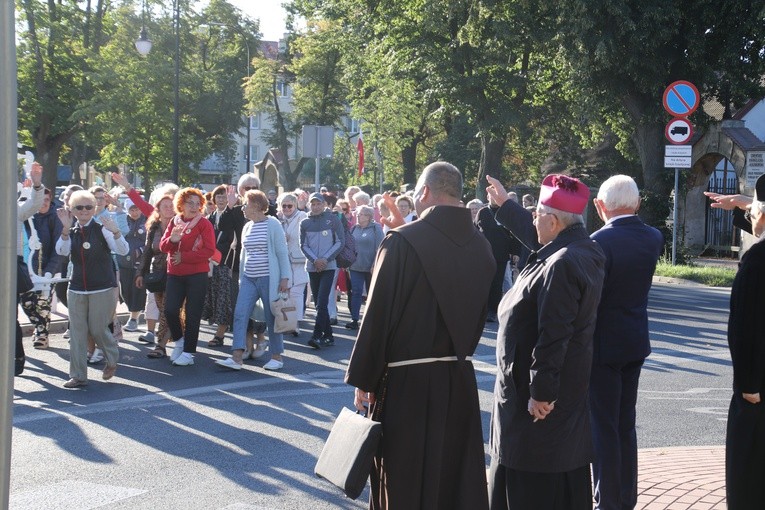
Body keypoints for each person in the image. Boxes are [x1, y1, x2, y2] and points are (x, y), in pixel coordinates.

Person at [346, 161, 495, 509]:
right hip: (458, 379)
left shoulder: (400, 242)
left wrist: (364, 378)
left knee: (404, 480)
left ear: (425, 192)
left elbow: (378, 315)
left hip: (405, 383)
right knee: (453, 478)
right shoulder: (482, 246)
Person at [485, 173, 605, 510]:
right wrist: (506, 206)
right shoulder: (577, 248)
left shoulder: (563, 263)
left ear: (552, 221)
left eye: (537, 214)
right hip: (548, 404)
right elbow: (538, 240)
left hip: (536, 407)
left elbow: (554, 334)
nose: (533, 219)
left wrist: (542, 392)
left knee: (534, 488)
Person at [588, 175, 663, 510]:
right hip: (635, 340)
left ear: (601, 206)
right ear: (637, 204)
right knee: (624, 425)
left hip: (603, 345)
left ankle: (607, 499)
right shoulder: (653, 237)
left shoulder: (598, 242)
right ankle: (625, 497)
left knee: (602, 425)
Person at [56, 190, 129, 388]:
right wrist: (64, 229)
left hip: (102, 288)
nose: (84, 211)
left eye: (88, 206)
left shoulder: (102, 228)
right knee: (77, 333)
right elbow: (61, 251)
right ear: (72, 210)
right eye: (79, 207)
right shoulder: (70, 231)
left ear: (94, 208)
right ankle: (78, 376)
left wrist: (116, 231)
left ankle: (112, 358)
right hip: (77, 288)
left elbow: (123, 250)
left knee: (97, 328)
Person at [724, 173, 765, 509]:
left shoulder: (757, 263)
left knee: (749, 476)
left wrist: (748, 384)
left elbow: (744, 328)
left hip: (758, 392)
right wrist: (742, 206)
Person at [216, 190, 290, 371]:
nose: (243, 208)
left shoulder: (273, 224)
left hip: (268, 278)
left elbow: (281, 252)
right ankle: (237, 357)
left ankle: (276, 356)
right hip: (249, 278)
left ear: (257, 206)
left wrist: (285, 278)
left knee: (272, 316)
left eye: (246, 204)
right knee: (240, 314)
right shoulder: (247, 226)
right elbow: (243, 255)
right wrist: (242, 278)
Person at [159, 187, 216, 366]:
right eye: (189, 203)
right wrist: (172, 241)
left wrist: (184, 257)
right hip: (175, 274)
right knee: (170, 310)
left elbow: (209, 250)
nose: (193, 206)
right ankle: (179, 342)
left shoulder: (204, 224)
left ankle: (189, 353)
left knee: (193, 314)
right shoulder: (175, 222)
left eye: (197, 203)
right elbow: (162, 247)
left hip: (197, 275)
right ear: (181, 204)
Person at [20, 187, 64, 350]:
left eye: (46, 200)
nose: (43, 203)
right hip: (27, 269)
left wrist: (49, 271)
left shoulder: (55, 217)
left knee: (42, 302)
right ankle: (39, 327)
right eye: (40, 200)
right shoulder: (27, 217)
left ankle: (42, 334)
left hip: (47, 269)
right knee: (26, 302)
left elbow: (58, 248)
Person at [300, 192, 343, 349]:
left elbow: (340, 242)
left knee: (322, 302)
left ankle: (317, 335)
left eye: (318, 203)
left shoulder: (332, 220)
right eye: (313, 204)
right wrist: (315, 260)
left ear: (324, 204)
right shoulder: (304, 222)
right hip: (312, 267)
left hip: (329, 266)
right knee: (319, 303)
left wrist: (325, 259)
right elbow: (303, 245)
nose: (316, 206)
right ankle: (329, 336)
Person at [136, 195, 176, 358]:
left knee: (167, 309)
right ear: (158, 209)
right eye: (164, 205)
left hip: (176, 273)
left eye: (171, 205)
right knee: (162, 308)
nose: (168, 208)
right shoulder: (154, 227)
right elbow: (147, 251)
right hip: (157, 273)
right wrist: (140, 273)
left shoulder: (181, 224)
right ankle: (176, 336)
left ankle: (160, 345)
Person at [15, 162, 45, 376]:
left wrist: (36, 184)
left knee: (8, 318)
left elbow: (35, 205)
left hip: (10, 270)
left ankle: (16, 359)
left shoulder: (13, 210)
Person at [203, 184, 236, 347]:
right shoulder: (209, 218)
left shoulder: (234, 215)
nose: (222, 199)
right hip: (210, 264)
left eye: (224, 196)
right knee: (213, 297)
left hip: (226, 264)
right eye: (219, 196)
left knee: (224, 298)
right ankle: (219, 328)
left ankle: (220, 334)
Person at [345, 205, 384, 330]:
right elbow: (349, 247)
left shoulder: (376, 228)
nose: (358, 216)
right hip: (355, 266)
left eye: (361, 214)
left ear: (368, 216)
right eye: (358, 214)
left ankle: (371, 319)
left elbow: (380, 247)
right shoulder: (354, 228)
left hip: (371, 267)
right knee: (355, 292)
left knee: (371, 293)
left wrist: (375, 264)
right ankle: (354, 319)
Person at [277, 192, 309, 338]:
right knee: (284, 293)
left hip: (299, 259)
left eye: (290, 205)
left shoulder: (302, 217)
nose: (287, 208)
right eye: (284, 206)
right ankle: (286, 323)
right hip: (283, 261)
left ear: (295, 205)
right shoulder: (278, 219)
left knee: (296, 293)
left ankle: (295, 324)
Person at [118, 199, 148, 332]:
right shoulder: (123, 220)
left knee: (137, 289)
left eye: (137, 209)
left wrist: (140, 250)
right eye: (132, 210)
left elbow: (150, 240)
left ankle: (134, 319)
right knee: (125, 290)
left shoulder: (147, 220)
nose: (135, 212)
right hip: (124, 260)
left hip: (140, 262)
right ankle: (132, 311)